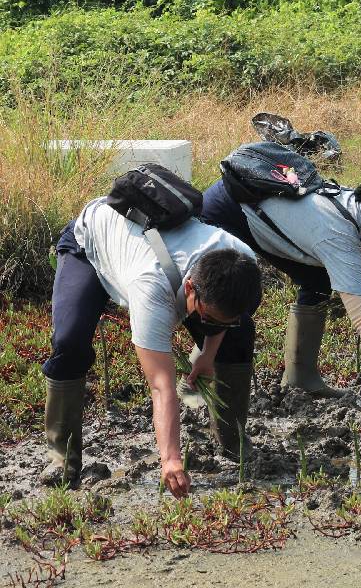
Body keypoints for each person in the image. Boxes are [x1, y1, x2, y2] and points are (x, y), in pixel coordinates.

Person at [43, 198, 262, 496]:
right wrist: (171, 459)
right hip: (91, 243)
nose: (213, 323)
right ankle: (62, 457)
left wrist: (208, 354)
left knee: (239, 335)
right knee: (69, 342)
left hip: (156, 250)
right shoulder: (151, 289)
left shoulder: (241, 260)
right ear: (190, 289)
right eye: (208, 316)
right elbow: (161, 386)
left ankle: (231, 440)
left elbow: (225, 315)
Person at [201, 176, 361, 407]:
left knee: (318, 281)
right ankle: (201, 385)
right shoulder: (339, 236)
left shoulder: (353, 202)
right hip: (226, 211)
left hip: (251, 205)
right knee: (233, 298)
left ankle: (300, 379)